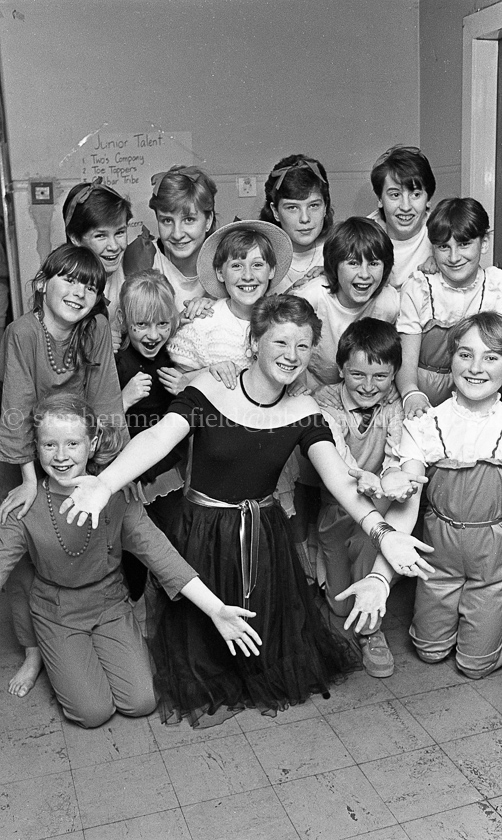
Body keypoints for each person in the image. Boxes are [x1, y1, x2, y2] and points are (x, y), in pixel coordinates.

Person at [58, 296, 433, 728]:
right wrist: (104, 484)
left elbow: (340, 482)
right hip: (204, 531)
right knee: (204, 648)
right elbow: (159, 438)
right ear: (255, 342)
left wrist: (384, 533)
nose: (292, 356)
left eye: (304, 346)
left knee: (266, 638)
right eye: (281, 342)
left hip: (263, 533)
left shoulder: (304, 411)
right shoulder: (211, 391)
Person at [0, 393, 261, 728]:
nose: (61, 456)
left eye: (72, 444)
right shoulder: (26, 504)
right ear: (35, 448)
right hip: (57, 611)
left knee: (142, 702)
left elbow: (160, 554)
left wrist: (215, 609)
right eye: (49, 445)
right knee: (92, 713)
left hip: (109, 604)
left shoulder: (117, 495)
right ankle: (48, 655)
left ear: (92, 445)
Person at [0, 243, 126, 697]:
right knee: (23, 556)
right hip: (27, 456)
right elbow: (16, 408)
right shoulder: (22, 332)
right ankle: (33, 651)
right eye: (69, 280)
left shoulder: (95, 328)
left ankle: (92, 625)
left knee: (83, 535)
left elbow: (107, 399)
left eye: (90, 285)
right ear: (42, 284)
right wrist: (30, 479)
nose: (79, 292)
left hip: (80, 453)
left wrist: (110, 472)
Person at [362, 312, 502, 679]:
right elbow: (406, 503)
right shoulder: (426, 424)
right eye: (466, 354)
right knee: (428, 650)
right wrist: (391, 479)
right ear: (451, 358)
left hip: (494, 559)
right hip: (437, 556)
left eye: (491, 357)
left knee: (475, 666)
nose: (476, 368)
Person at [317, 319, 418, 678]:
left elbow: (397, 451)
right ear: (341, 368)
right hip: (335, 505)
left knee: (369, 551)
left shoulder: (394, 403)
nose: (369, 385)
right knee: (340, 604)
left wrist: (390, 476)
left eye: (381, 376)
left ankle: (372, 631)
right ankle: (340, 606)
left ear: (394, 375)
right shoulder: (324, 401)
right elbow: (336, 450)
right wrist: (361, 478)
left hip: (379, 507)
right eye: (358, 374)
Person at [115, 269, 187, 598]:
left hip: (168, 472)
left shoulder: (176, 361)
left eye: (162, 323)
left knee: (173, 538)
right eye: (141, 324)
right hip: (127, 471)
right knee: (132, 550)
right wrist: (124, 399)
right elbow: (95, 419)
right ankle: (135, 603)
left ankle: (171, 601)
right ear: (124, 322)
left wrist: (186, 388)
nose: (153, 334)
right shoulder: (116, 365)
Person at [396, 197, 502, 417]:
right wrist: (411, 394)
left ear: (483, 243)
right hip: (422, 394)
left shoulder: (497, 287)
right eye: (444, 247)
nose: (454, 258)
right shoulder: (419, 288)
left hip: (481, 394)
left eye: (464, 244)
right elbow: (406, 361)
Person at [167, 219, 292, 390]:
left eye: (257, 265)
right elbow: (177, 381)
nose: (248, 275)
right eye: (236, 266)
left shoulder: (285, 323)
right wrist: (207, 373)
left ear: (271, 270)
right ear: (220, 273)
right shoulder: (202, 324)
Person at [292, 216, 399, 391]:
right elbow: (287, 349)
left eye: (373, 263)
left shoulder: (389, 303)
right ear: (334, 265)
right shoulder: (312, 296)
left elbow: (394, 355)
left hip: (367, 389)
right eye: (353, 263)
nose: (364, 274)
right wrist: (316, 389)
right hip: (312, 385)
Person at [123, 165, 217, 316]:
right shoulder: (144, 257)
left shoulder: (224, 261)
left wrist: (218, 307)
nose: (177, 234)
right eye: (167, 220)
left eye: (189, 220)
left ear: (208, 221)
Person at [63, 177, 132, 351]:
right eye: (100, 236)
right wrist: (96, 343)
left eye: (120, 232)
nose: (114, 246)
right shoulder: (65, 284)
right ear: (75, 238)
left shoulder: (132, 264)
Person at [259, 154, 333, 294]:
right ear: (275, 211)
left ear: (325, 206)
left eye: (314, 206)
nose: (305, 218)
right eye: (292, 208)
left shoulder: (342, 251)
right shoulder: (258, 257)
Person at [368, 144, 436, 290]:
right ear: (380, 199)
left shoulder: (442, 232)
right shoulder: (363, 234)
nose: (405, 207)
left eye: (415, 194)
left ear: (428, 198)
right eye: (395, 195)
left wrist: (444, 264)